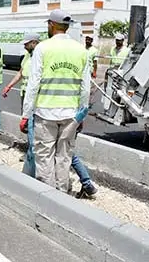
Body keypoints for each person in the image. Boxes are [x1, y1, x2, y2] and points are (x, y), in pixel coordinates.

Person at [20, 10, 90, 193]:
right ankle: (62, 195)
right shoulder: (81, 50)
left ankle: (47, 197)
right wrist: (80, 116)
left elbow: (33, 84)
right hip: (70, 115)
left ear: (51, 25)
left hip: (46, 113)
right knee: (64, 157)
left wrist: (26, 114)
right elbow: (85, 88)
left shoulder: (43, 48)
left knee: (44, 157)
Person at [2, 33, 40, 102]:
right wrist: (9, 86)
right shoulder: (27, 55)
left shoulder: (41, 56)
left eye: (26, 44)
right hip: (25, 92)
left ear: (34, 42)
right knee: (24, 112)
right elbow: (20, 73)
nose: (24, 47)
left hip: (35, 94)